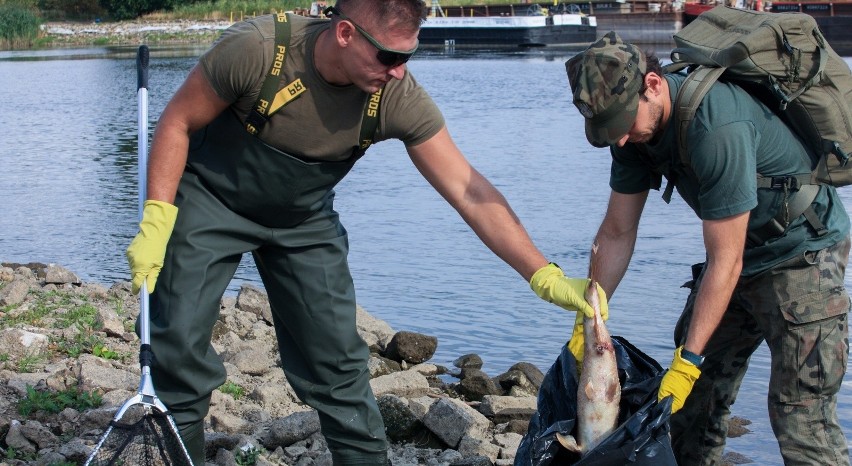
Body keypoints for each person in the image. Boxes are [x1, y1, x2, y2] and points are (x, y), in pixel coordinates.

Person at [124, 0, 607, 464]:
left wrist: (543, 273)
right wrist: (157, 218)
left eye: (408, 56)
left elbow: (468, 189)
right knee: (178, 349)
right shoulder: (258, 50)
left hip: (302, 221)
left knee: (339, 367)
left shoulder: (395, 95)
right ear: (346, 32)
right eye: (389, 55)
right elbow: (178, 123)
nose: (398, 69)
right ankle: (178, 454)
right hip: (211, 201)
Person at [565, 32, 850, 466]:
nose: (618, 140)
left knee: (801, 420)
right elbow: (618, 231)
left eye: (622, 124)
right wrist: (590, 318)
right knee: (690, 412)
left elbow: (725, 260)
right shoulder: (630, 135)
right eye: (607, 131)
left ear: (654, 85)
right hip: (736, 256)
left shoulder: (716, 126)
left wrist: (689, 360)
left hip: (802, 257)